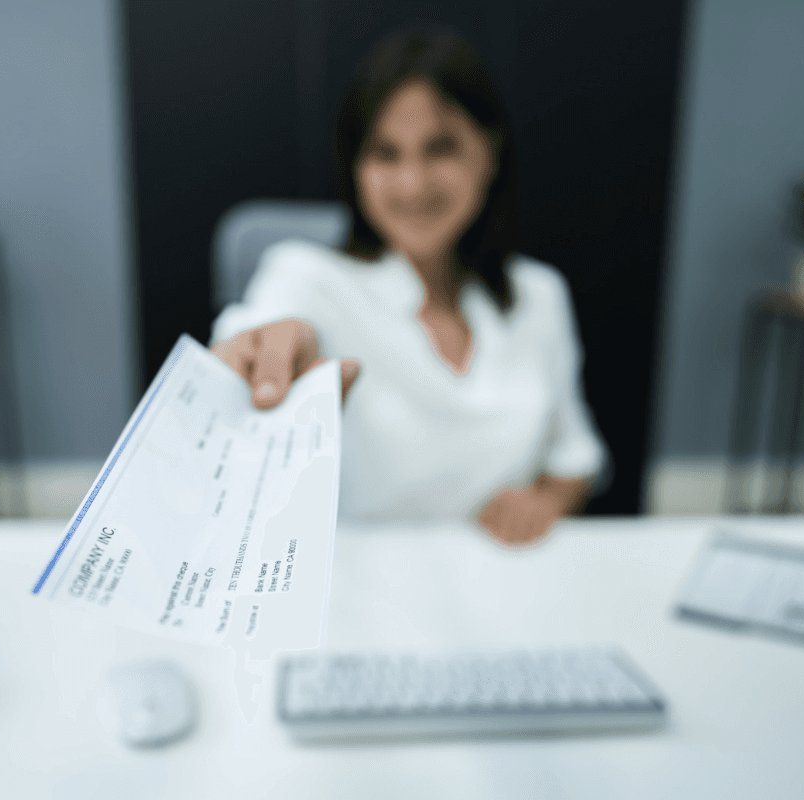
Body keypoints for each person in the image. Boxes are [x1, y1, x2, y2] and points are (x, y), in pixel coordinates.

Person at [211, 29, 606, 546]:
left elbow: (575, 459)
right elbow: (262, 330)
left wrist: (544, 503)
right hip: (357, 596)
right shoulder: (306, 278)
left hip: (501, 585)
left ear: (489, 151)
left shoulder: (539, 295)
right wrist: (261, 354)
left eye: (440, 149)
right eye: (385, 154)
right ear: (356, 169)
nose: (412, 183)